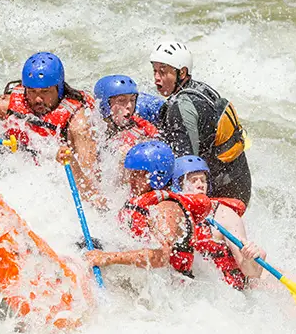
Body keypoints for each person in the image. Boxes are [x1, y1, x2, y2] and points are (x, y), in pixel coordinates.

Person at [84, 140, 214, 272]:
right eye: (131, 173)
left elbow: (162, 257)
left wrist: (108, 258)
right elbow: (93, 198)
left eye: (138, 175)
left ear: (157, 176)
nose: (131, 180)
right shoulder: (141, 201)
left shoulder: (165, 208)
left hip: (170, 286)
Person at [150, 41, 252, 206]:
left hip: (224, 193)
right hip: (240, 183)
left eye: (163, 72)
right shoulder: (202, 90)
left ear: (181, 73)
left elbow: (188, 165)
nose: (156, 78)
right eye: (154, 71)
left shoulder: (180, 107)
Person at [55, 75, 159, 208]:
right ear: (105, 104)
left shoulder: (139, 138)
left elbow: (106, 195)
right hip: (92, 196)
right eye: (121, 100)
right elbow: (89, 180)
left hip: (116, 204)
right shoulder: (88, 129)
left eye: (133, 100)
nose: (129, 106)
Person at [171, 155, 264, 290]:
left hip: (227, 292)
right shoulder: (170, 212)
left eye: (203, 180)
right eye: (193, 180)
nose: (200, 184)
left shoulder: (224, 215)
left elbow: (250, 272)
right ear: (178, 184)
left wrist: (249, 258)